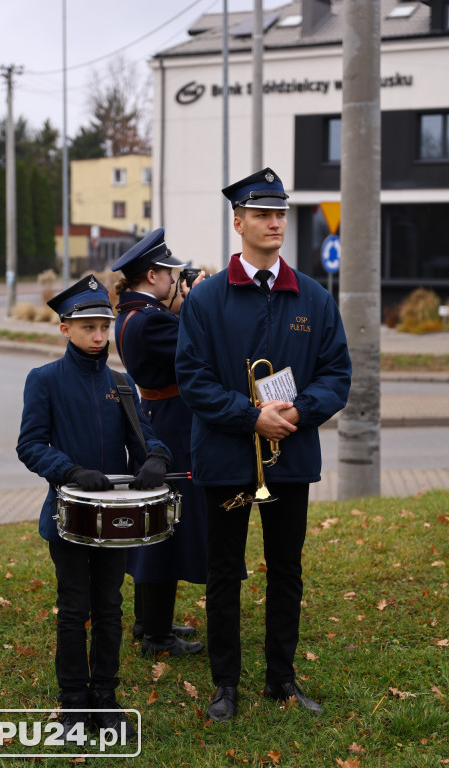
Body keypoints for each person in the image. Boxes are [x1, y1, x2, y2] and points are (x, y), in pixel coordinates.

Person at [175, 167, 352, 722]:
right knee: (225, 570)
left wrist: (297, 412)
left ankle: (281, 679)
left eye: (281, 213)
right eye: (263, 214)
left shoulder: (315, 297)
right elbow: (193, 379)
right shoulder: (205, 299)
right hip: (227, 457)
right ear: (239, 222)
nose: (276, 222)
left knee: (287, 569)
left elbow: (337, 374)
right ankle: (225, 684)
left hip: (291, 456)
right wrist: (253, 418)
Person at [16, 274, 172, 741]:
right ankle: (73, 706)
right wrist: (69, 470)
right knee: (72, 608)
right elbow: (30, 445)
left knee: (109, 605)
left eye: (104, 326)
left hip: (116, 521)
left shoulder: (122, 385)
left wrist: (157, 458)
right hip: (69, 516)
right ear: (66, 329)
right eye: (88, 327)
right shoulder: (43, 380)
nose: (99, 336)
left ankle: (105, 699)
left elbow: (148, 437)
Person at [111, 228, 206, 657]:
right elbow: (196, 352)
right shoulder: (150, 320)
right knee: (165, 530)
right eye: (170, 274)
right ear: (152, 275)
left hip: (159, 419)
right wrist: (198, 306)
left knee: (155, 524)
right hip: (170, 427)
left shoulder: (133, 314)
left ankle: (150, 622)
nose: (174, 281)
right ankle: (157, 636)